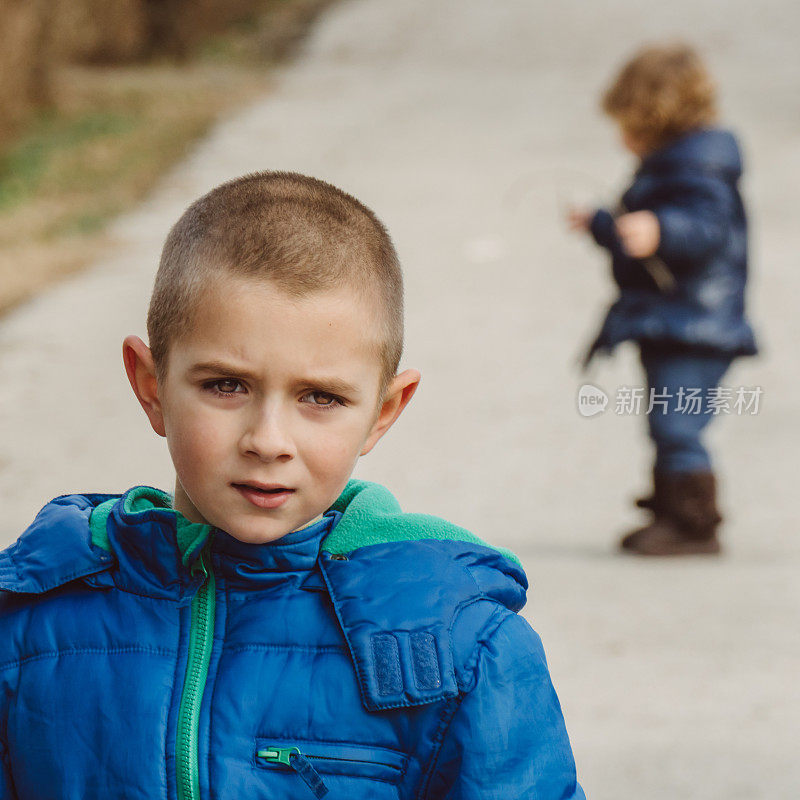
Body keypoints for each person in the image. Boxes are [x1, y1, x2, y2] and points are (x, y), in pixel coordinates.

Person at [0, 172, 586, 799]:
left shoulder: (461, 650)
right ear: (151, 386)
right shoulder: (27, 625)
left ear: (383, 413)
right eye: (226, 385)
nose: (268, 439)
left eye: (321, 397)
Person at [567, 43, 758, 557]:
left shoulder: (698, 168)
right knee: (664, 416)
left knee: (677, 420)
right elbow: (639, 238)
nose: (621, 139)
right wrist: (602, 224)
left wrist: (663, 227)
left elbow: (705, 227)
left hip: (697, 324)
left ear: (656, 122)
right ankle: (671, 508)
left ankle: (695, 524)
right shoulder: (674, 162)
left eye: (629, 127)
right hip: (672, 319)